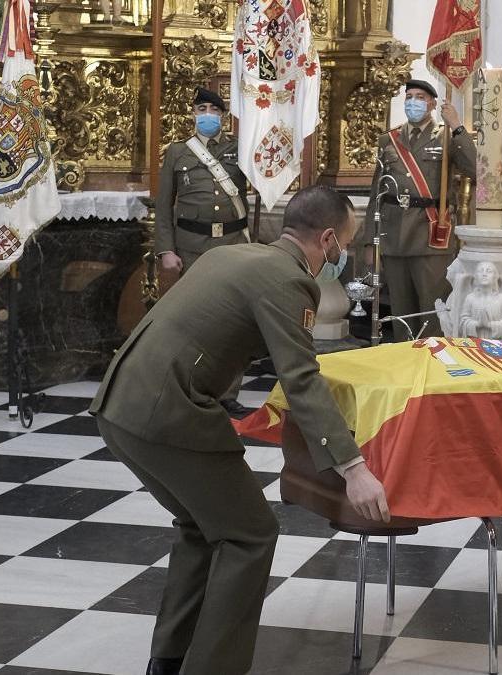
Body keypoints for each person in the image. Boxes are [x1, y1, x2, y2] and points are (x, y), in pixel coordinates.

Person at [90, 185, 391, 675]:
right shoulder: (288, 280)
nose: (344, 257)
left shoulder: (231, 254)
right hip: (169, 414)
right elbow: (300, 379)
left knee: (200, 526)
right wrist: (353, 468)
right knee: (250, 534)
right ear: (329, 239)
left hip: (120, 404)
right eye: (347, 246)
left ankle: (168, 660)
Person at [154, 86, 252, 415]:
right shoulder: (177, 152)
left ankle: (228, 392)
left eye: (213, 110)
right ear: (193, 114)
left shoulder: (241, 148)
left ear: (223, 116)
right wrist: (166, 249)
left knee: (233, 321)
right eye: (201, 109)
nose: (207, 115)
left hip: (232, 244)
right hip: (192, 247)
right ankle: (192, 387)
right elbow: (163, 206)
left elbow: (264, 183)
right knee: (195, 320)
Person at [363, 79, 477, 341]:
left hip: (429, 234)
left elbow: (475, 169)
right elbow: (375, 193)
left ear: (433, 104)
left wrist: (457, 126)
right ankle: (405, 362)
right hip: (394, 234)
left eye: (421, 97)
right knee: (400, 311)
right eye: (409, 96)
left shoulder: (446, 137)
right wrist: (370, 240)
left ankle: (432, 362)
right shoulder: (389, 140)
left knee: (432, 308)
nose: (413, 102)